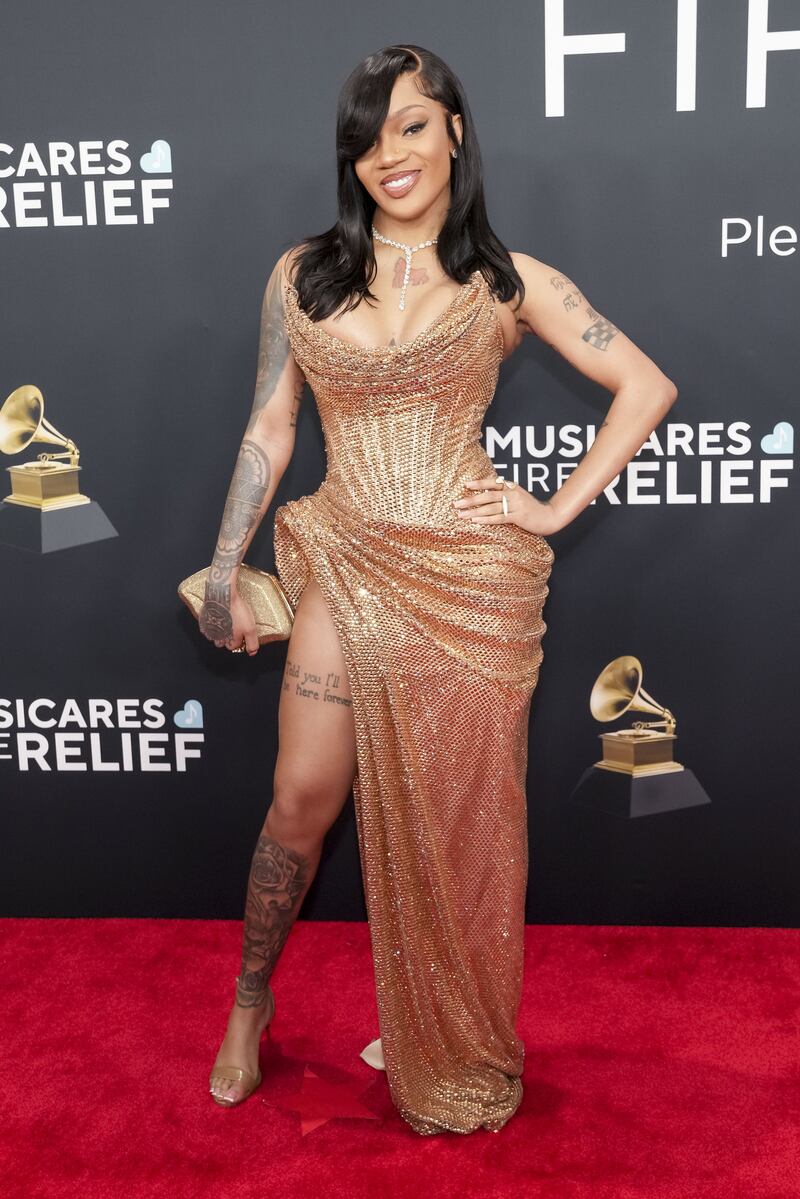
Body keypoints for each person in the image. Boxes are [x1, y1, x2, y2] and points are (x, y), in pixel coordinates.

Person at [201, 44, 677, 1135]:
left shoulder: (508, 283)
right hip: (344, 558)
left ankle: (436, 1024)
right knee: (298, 798)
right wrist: (227, 568)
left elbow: (642, 385)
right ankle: (247, 1002)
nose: (389, 155)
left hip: (469, 589)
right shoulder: (301, 275)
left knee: (465, 824)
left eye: (410, 127)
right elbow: (271, 429)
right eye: (368, 139)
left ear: (453, 131)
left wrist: (552, 506)